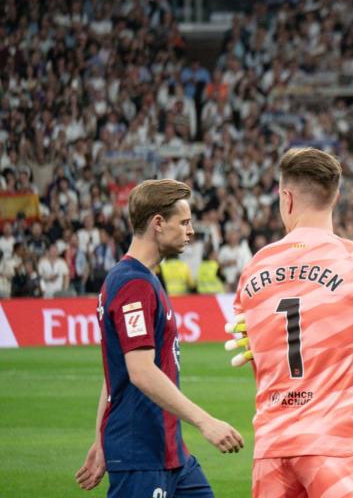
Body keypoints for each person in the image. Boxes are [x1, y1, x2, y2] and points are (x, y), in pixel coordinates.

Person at [230, 147, 353, 498]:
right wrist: (339, 408)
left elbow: (260, 363)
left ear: (285, 198)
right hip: (337, 440)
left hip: (273, 444)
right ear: (335, 196)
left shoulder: (253, 268)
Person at [75, 179, 243, 497]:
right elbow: (139, 371)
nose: (191, 231)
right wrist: (206, 421)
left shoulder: (144, 279)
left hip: (171, 454)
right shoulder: (132, 285)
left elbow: (115, 373)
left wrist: (100, 438)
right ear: (158, 223)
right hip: (141, 453)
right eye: (184, 222)